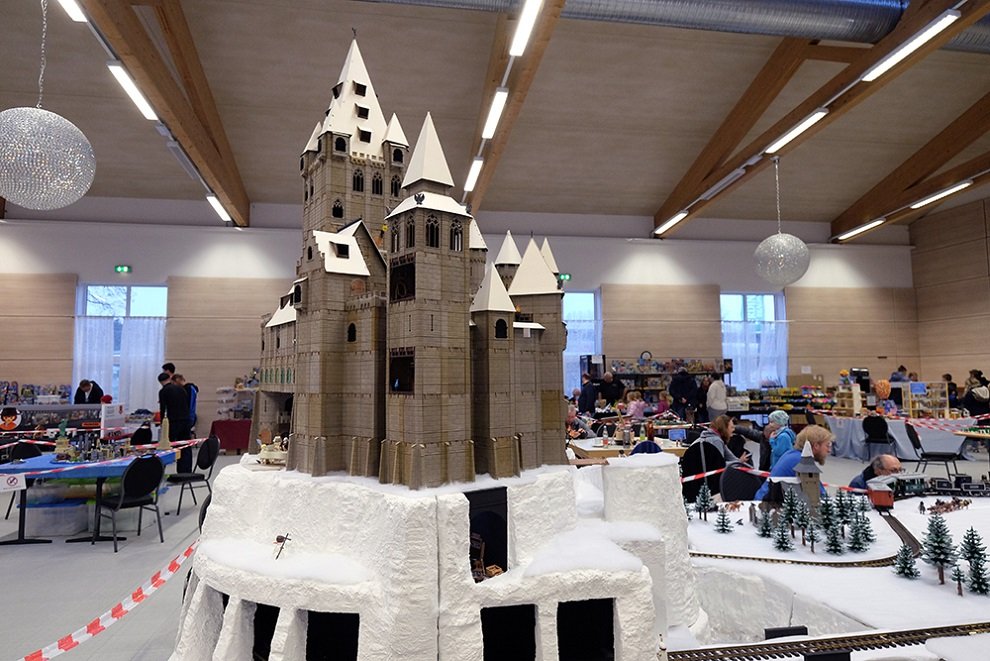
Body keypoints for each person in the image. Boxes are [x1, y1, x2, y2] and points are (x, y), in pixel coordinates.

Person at [754, 424, 834, 501]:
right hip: (767, 504)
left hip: (764, 500)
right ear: (816, 446)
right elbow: (820, 494)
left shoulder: (793, 454)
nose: (829, 450)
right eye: (828, 445)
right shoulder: (801, 461)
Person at [158, 372, 193, 472]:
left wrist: (162, 423)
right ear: (169, 379)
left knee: (171, 445)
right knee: (185, 445)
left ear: (161, 382)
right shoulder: (181, 389)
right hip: (185, 420)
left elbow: (163, 409)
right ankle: (186, 470)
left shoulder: (163, 391)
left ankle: (164, 470)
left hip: (173, 421)